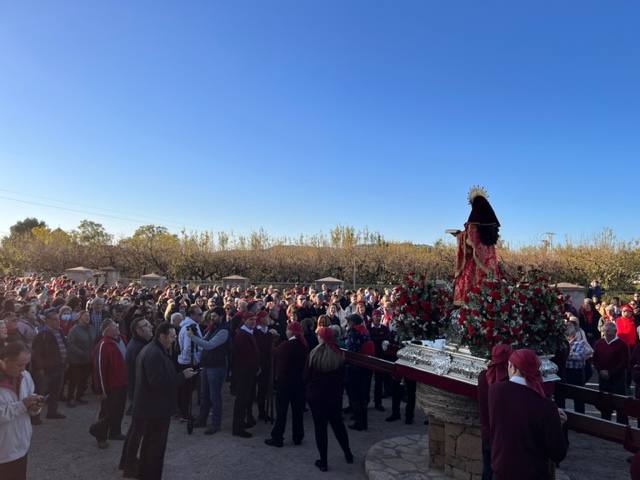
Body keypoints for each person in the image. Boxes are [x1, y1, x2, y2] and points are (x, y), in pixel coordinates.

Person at [119, 322, 197, 479]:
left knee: (150, 445)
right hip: (154, 409)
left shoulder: (154, 349)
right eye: (172, 336)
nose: (174, 340)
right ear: (163, 336)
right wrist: (182, 377)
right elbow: (158, 383)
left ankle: (144, 472)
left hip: (153, 407)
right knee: (154, 448)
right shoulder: (154, 353)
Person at [489, 349, 567, 480]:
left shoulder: (495, 391)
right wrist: (558, 424)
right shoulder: (546, 406)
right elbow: (558, 453)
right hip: (532, 472)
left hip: (502, 469)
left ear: (512, 367)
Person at [306, 327, 353, 472]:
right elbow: (343, 377)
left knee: (320, 429)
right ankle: (348, 453)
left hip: (317, 397)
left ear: (322, 338)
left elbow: (306, 376)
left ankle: (324, 462)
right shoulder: (339, 354)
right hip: (334, 397)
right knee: (338, 425)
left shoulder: (314, 354)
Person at [0, 341, 45, 480]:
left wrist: (35, 408)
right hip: (3, 451)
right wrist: (23, 405)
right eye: (20, 365)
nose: (23, 369)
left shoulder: (26, 376)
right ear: (5, 361)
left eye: (26, 364)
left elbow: (28, 406)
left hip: (21, 445)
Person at [452, 187, 501, 305]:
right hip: (490, 263)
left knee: (470, 290)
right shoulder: (492, 226)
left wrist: (459, 235)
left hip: (475, 263)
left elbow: (470, 241)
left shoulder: (473, 223)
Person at [265, 321, 309, 447]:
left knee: (282, 411)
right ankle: (298, 436)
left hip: (285, 382)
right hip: (299, 382)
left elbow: (275, 353)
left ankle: (278, 437)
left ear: (291, 331)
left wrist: (272, 340)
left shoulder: (287, 345)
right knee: (297, 411)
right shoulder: (303, 345)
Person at [188, 307, 229, 435]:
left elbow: (209, 345)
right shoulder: (213, 327)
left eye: (215, 316)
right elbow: (205, 341)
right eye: (212, 316)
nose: (212, 318)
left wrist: (192, 337)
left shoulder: (224, 331)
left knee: (214, 396)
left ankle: (215, 424)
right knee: (204, 395)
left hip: (216, 367)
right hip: (207, 365)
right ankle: (202, 419)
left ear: (221, 316)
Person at [91, 319, 127, 449]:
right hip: (110, 386)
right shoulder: (103, 345)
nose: (118, 328)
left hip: (122, 382)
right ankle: (101, 436)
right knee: (106, 412)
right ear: (107, 330)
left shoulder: (122, 339)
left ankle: (115, 432)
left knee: (119, 410)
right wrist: (100, 390)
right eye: (114, 327)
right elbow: (99, 369)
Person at [477, 344, 512, 480]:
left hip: (487, 430)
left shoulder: (483, 376)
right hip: (503, 434)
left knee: (487, 467)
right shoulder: (508, 380)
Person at [31, 307, 67, 420]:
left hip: (59, 366)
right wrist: (40, 368)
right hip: (46, 370)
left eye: (58, 319)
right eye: (55, 319)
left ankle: (52, 412)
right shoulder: (43, 334)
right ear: (48, 320)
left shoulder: (60, 331)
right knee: (40, 393)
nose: (58, 321)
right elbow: (36, 353)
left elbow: (64, 346)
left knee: (55, 392)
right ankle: (35, 416)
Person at [593, 322, 629, 423]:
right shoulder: (599, 343)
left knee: (620, 406)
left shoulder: (622, 345)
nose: (606, 332)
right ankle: (606, 425)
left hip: (617, 380)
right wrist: (600, 370)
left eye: (608, 330)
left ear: (615, 331)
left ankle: (622, 428)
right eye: (605, 330)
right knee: (605, 405)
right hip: (603, 379)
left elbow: (624, 362)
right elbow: (595, 359)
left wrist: (611, 373)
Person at [344, 314, 375, 431]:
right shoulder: (365, 331)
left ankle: (359, 422)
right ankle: (363, 421)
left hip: (355, 368)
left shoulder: (353, 332)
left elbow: (352, 349)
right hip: (366, 366)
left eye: (349, 321)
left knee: (355, 396)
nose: (347, 323)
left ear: (352, 322)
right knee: (363, 395)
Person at [231, 312, 259, 438]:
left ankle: (241, 423)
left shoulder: (247, 333)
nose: (253, 322)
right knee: (241, 400)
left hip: (248, 372)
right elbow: (245, 357)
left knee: (245, 398)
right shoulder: (242, 335)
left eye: (254, 319)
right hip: (243, 372)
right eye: (250, 319)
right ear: (244, 320)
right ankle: (237, 428)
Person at [176, 305, 203, 421]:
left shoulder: (191, 325)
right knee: (186, 390)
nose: (201, 316)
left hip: (188, 360)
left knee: (187, 389)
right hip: (188, 362)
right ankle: (185, 414)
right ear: (192, 315)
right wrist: (194, 361)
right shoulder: (189, 327)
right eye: (199, 314)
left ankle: (184, 412)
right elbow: (187, 347)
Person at [65, 310, 94, 407]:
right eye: (85, 316)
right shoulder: (75, 329)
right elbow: (69, 343)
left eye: (88, 316)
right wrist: (80, 352)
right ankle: (70, 398)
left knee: (84, 380)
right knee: (74, 380)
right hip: (76, 360)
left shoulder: (91, 328)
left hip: (88, 359)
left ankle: (79, 396)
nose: (87, 317)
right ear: (79, 318)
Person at [124, 317, 152, 414]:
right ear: (138, 330)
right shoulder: (138, 348)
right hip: (141, 393)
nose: (151, 327)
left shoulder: (141, 344)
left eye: (149, 324)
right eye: (146, 325)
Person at [564, 321, 590, 413]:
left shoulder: (580, 343)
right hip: (566, 372)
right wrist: (569, 354)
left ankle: (580, 418)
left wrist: (567, 355)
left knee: (578, 399)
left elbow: (579, 356)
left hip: (577, 373)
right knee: (563, 396)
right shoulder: (564, 343)